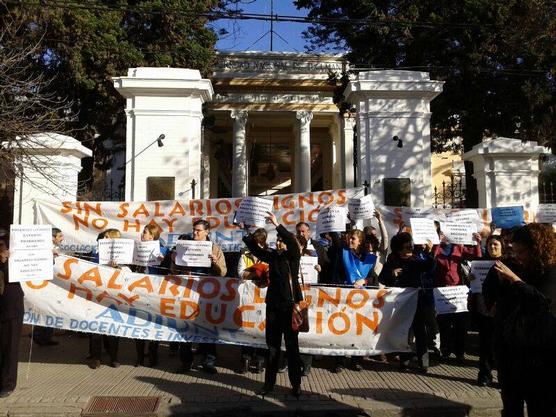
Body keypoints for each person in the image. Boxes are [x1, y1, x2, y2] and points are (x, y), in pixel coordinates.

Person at [483, 223, 556, 417]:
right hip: (511, 353)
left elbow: (542, 301)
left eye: (521, 252)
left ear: (537, 248)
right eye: (514, 252)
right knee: (511, 406)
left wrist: (514, 280)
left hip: (541, 356)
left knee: (541, 407)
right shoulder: (519, 266)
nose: (517, 257)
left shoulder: (551, 270)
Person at [242, 212, 304, 398]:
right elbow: (256, 250)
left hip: (290, 306)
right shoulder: (273, 257)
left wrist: (278, 224)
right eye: (277, 240)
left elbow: (292, 243)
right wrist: (246, 231)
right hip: (273, 307)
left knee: (292, 347)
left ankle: (296, 385)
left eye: (281, 241)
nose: (279, 243)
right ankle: (269, 385)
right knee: (272, 347)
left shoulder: (293, 257)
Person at [174, 219, 227, 374]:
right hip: (187, 292)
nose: (194, 233)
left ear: (207, 232)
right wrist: (174, 261)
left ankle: (208, 362)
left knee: (208, 328)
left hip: (207, 295)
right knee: (185, 328)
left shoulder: (215, 249)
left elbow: (223, 272)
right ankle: (185, 362)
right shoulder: (184, 246)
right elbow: (174, 271)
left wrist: (215, 263)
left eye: (198, 230)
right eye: (194, 230)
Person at [379, 232, 435, 373]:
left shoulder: (416, 258)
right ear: (399, 249)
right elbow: (382, 277)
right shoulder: (392, 260)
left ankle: (423, 361)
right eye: (406, 247)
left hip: (418, 301)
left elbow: (429, 266)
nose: (410, 249)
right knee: (403, 330)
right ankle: (405, 359)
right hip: (400, 303)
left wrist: (430, 252)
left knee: (420, 331)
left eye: (410, 246)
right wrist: (393, 274)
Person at [328, 228, 377, 372]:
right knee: (341, 328)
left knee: (358, 330)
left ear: (360, 241)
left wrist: (364, 281)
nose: (350, 241)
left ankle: (356, 360)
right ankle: (339, 361)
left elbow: (374, 279)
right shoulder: (342, 254)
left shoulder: (368, 258)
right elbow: (334, 272)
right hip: (344, 297)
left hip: (361, 300)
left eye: (353, 239)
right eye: (348, 238)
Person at [433, 230, 482, 361]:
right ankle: (445, 350)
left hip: (458, 290)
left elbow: (475, 257)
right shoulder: (436, 247)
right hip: (441, 290)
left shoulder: (458, 248)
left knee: (461, 323)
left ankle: (460, 351)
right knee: (444, 323)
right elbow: (433, 257)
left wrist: (477, 243)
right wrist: (437, 242)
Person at [467, 234, 504, 386]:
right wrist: (469, 279)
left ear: (501, 246)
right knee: (485, 344)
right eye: (489, 245)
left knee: (502, 346)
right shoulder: (480, 263)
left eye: (495, 244)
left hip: (503, 310)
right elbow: (474, 287)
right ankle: (484, 375)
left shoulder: (508, 264)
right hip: (484, 310)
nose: (492, 247)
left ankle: (503, 377)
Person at [295, 222, 327, 376]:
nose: (301, 234)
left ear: (308, 232)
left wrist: (320, 268)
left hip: (311, 292)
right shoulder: (292, 247)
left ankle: (306, 364)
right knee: (294, 328)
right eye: (298, 232)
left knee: (307, 328)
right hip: (296, 293)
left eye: (303, 232)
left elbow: (326, 265)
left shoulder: (317, 247)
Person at [134, 224, 168, 367]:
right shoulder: (137, 248)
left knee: (154, 323)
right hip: (139, 290)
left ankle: (153, 354)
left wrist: (163, 260)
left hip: (155, 290)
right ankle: (140, 356)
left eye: (145, 232)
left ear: (152, 236)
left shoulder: (163, 250)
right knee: (137, 323)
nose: (142, 234)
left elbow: (167, 270)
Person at [89, 228, 123, 369]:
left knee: (112, 326)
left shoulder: (121, 253)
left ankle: (113, 357)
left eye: (107, 237)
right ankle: (96, 358)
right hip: (97, 291)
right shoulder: (96, 251)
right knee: (96, 326)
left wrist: (117, 267)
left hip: (113, 294)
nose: (104, 239)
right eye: (104, 237)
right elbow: (91, 267)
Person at [237, 228, 269, 374]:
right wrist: (257, 273)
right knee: (247, 327)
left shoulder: (269, 255)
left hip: (264, 298)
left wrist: (259, 273)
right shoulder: (244, 255)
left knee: (262, 328)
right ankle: (245, 359)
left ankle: (260, 361)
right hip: (248, 297)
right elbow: (240, 273)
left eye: (258, 244)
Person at [0, 235, 24, 398]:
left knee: (9, 346)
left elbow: (35, 266)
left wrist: (48, 256)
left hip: (10, 308)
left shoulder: (13, 260)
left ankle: (7, 384)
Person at [32, 227, 63, 347]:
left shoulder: (55, 249)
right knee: (45, 308)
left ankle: (46, 336)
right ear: (52, 238)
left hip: (54, 285)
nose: (62, 238)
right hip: (44, 285)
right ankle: (39, 334)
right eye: (60, 236)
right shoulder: (44, 249)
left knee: (51, 309)